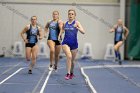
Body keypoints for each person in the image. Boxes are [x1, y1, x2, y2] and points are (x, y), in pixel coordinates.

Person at [59, 9, 85, 80]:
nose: (70, 15)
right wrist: (60, 36)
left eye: (72, 14)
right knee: (69, 57)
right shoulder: (65, 23)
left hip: (74, 44)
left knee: (73, 61)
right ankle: (68, 73)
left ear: (74, 15)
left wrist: (77, 27)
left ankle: (72, 72)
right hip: (65, 43)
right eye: (69, 14)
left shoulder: (77, 23)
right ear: (68, 15)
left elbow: (83, 32)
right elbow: (62, 30)